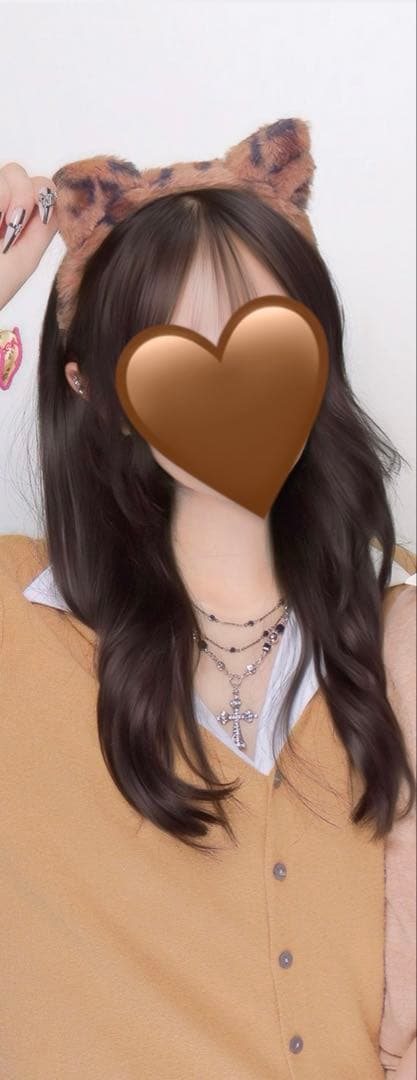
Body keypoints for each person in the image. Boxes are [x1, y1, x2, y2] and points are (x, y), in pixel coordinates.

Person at [0, 120, 415, 1079]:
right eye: (173, 347)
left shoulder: (396, 624)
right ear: (91, 388)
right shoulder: (18, 618)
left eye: (266, 335)